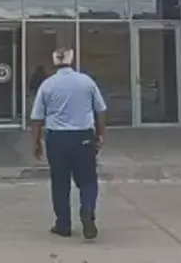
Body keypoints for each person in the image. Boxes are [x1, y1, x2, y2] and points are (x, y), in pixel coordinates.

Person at [30, 48, 107, 240]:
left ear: (54, 62)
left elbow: (37, 118)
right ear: (72, 60)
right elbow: (100, 110)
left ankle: (63, 224)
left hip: (57, 138)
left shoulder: (47, 85)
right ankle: (87, 211)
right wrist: (100, 135)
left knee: (60, 182)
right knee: (88, 180)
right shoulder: (86, 82)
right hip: (83, 136)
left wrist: (36, 142)